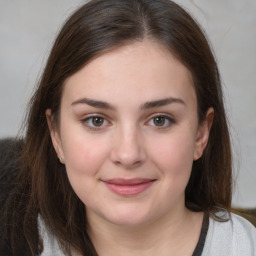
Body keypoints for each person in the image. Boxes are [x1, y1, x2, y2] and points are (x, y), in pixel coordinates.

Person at [0, 0, 255, 255]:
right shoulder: (16, 239)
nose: (128, 154)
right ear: (55, 134)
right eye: (96, 120)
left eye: (159, 120)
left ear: (201, 133)